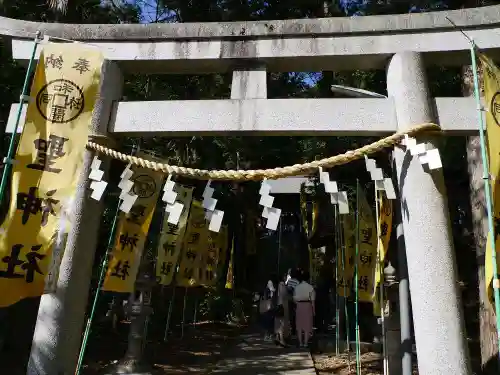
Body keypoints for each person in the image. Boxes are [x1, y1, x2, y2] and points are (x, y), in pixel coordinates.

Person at [293, 271, 315, 348]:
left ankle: (300, 343)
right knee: (307, 325)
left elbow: (294, 299)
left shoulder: (297, 287)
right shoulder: (310, 287)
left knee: (299, 326)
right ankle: (305, 343)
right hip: (307, 305)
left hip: (299, 306)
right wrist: (314, 310)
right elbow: (313, 301)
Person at [259, 276, 277, 341]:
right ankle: (267, 336)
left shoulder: (270, 290)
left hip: (269, 309)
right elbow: (267, 298)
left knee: (269, 323)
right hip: (268, 309)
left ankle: (268, 336)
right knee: (269, 323)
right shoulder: (268, 290)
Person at [274, 273, 290, 346]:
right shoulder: (282, 285)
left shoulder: (278, 285)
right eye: (285, 276)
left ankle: (277, 338)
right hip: (282, 306)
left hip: (278, 305)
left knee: (278, 322)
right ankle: (282, 339)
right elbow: (284, 295)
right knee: (282, 323)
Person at [286, 268, 300, 335]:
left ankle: (292, 328)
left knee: (290, 314)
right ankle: (295, 328)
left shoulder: (289, 281)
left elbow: (288, 289)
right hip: (295, 300)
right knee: (296, 314)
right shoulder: (297, 282)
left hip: (290, 299)